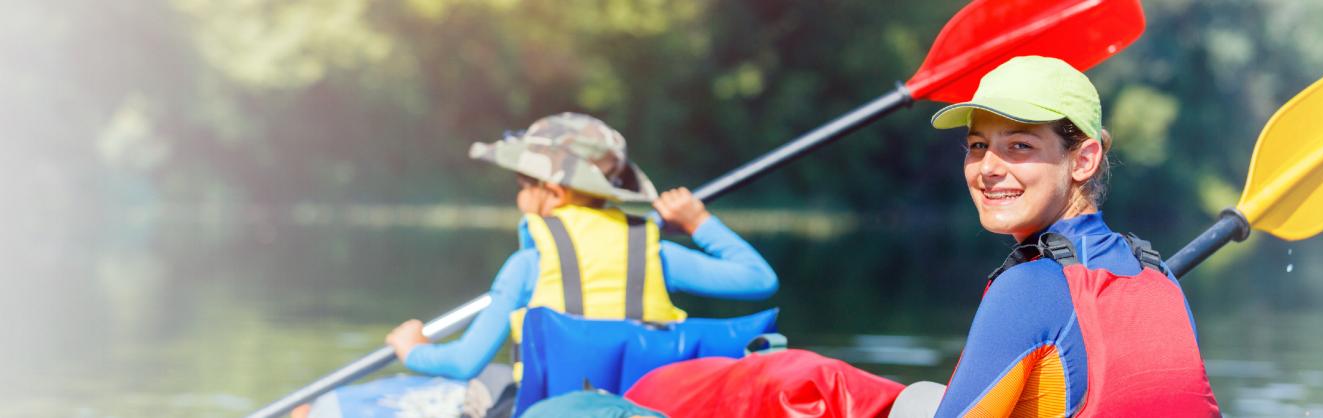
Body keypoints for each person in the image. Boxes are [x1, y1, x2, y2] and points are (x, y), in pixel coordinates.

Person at [298, 113, 779, 418]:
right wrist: (698, 222)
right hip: (638, 407)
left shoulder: (529, 263)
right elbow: (759, 280)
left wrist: (414, 349)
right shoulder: (654, 251)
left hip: (551, 410)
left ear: (554, 192)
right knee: (494, 383)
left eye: (523, 184)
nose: (518, 196)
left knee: (327, 409)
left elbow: (463, 363)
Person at [894, 56, 1220, 417]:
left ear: (1083, 160)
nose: (987, 168)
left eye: (1019, 145)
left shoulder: (1027, 286)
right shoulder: (1159, 274)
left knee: (916, 400)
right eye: (978, 145)